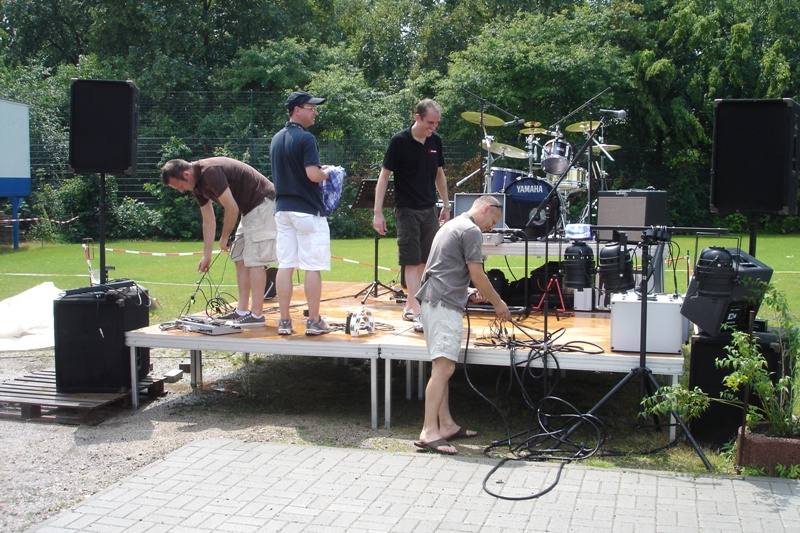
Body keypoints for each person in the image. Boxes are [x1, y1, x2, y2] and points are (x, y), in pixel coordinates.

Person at [414, 195, 512, 455]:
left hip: (435, 299)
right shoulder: (470, 231)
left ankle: (445, 425)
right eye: (493, 221)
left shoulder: (452, 224)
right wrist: (499, 303)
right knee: (444, 368)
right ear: (486, 208)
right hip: (442, 304)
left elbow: (443, 269)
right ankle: (428, 431)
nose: (491, 228)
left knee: (442, 365)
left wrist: (467, 292)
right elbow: (478, 274)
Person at [161, 157, 277, 328]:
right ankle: (242, 311)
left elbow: (232, 208)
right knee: (239, 257)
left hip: (263, 202)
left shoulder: (210, 172)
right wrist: (206, 255)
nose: (180, 191)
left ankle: (257, 314)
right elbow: (208, 220)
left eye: (179, 186)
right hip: (249, 210)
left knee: (255, 261)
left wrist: (224, 237)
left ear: (186, 174)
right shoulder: (197, 186)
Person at [373, 99, 450, 333]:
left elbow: (439, 174)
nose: (433, 127)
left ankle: (410, 306)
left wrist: (446, 204)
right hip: (406, 209)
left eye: (436, 123)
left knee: (426, 261)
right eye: (429, 122)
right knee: (411, 260)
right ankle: (418, 314)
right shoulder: (399, 141)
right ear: (417, 117)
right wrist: (378, 212)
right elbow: (384, 177)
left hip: (429, 209)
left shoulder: (436, 141)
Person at [269, 90, 332, 336]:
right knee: (312, 266)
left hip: (282, 210)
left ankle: (284, 321)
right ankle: (314, 320)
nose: (315, 112)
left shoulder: (276, 138)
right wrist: (331, 172)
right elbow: (313, 175)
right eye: (311, 107)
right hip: (306, 211)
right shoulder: (306, 139)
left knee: (285, 265)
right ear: (297, 109)